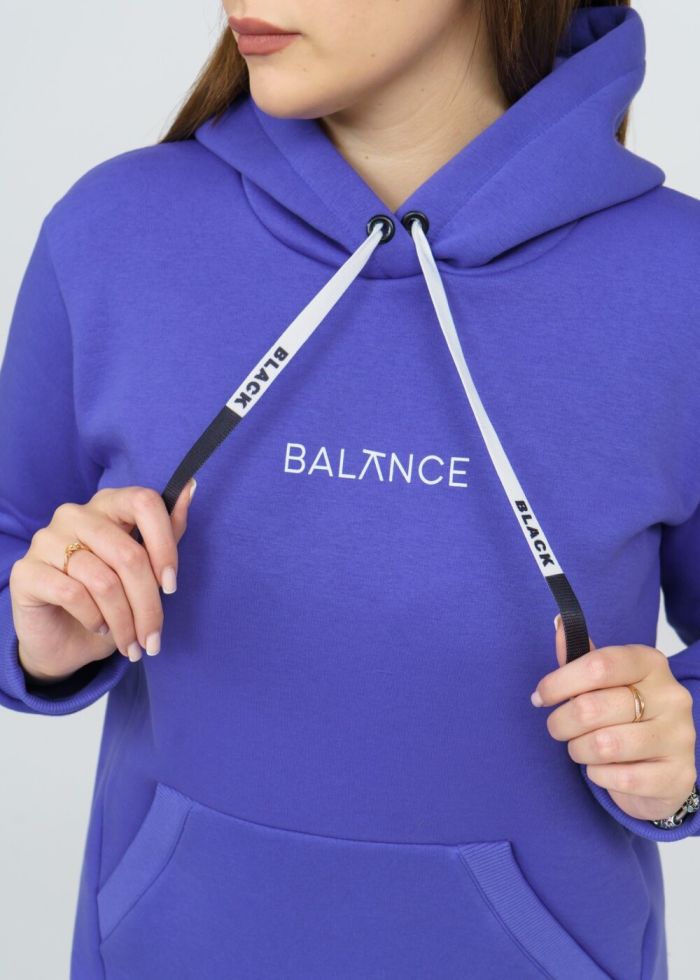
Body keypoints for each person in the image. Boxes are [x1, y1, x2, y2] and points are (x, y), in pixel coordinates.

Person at [1, 1, 698, 976]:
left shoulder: (677, 281)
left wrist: (683, 750)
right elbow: (12, 543)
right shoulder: (114, 229)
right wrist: (38, 630)